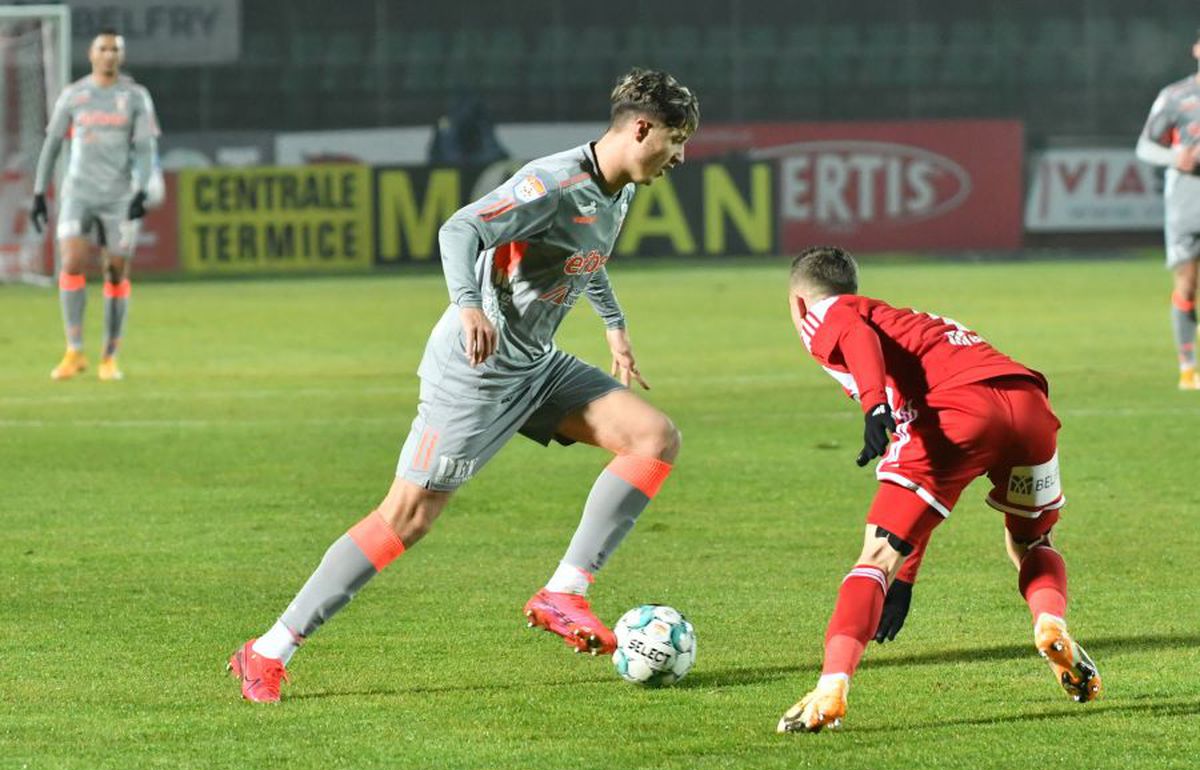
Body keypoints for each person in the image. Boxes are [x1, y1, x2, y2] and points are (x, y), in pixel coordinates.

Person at [229, 68, 700, 703]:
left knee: (653, 437)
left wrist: (614, 327)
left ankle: (563, 592)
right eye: (675, 138)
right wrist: (469, 303)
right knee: (408, 516)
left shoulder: (621, 189)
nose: (679, 155)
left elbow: (587, 259)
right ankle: (266, 651)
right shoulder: (552, 182)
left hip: (535, 363)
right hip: (476, 370)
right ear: (640, 128)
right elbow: (461, 228)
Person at [776, 246, 1101, 734]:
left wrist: (872, 407)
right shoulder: (910, 321)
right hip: (1027, 404)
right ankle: (1050, 625)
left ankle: (830, 689)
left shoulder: (824, 313)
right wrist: (907, 579)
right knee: (1031, 542)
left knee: (875, 559)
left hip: (959, 412)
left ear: (797, 302)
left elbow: (855, 334)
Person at [30, 28, 160, 382]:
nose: (109, 55)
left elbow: (147, 149)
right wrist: (40, 192)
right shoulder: (75, 95)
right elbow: (53, 144)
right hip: (79, 192)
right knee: (71, 263)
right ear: (91, 54)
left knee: (116, 271)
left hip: (118, 196)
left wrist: (141, 192)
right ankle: (74, 350)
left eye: (115, 49)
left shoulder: (135, 97)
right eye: (103, 48)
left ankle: (109, 356)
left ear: (122, 56)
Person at [1135, 28, 1200, 390]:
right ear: (1196, 49)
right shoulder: (1175, 96)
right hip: (1187, 202)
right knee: (1188, 285)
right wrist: (1177, 157)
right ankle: (1188, 368)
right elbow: (1145, 146)